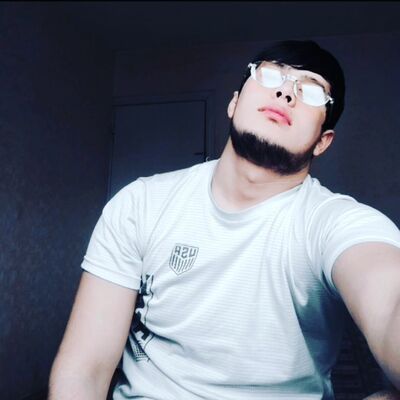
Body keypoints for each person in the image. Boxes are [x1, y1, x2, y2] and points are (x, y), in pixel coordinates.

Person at [48, 40, 400, 400]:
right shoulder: (140, 203)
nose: (285, 92)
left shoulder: (337, 223)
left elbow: (389, 303)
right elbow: (85, 367)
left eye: (311, 91)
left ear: (323, 141)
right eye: (271, 74)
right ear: (234, 103)